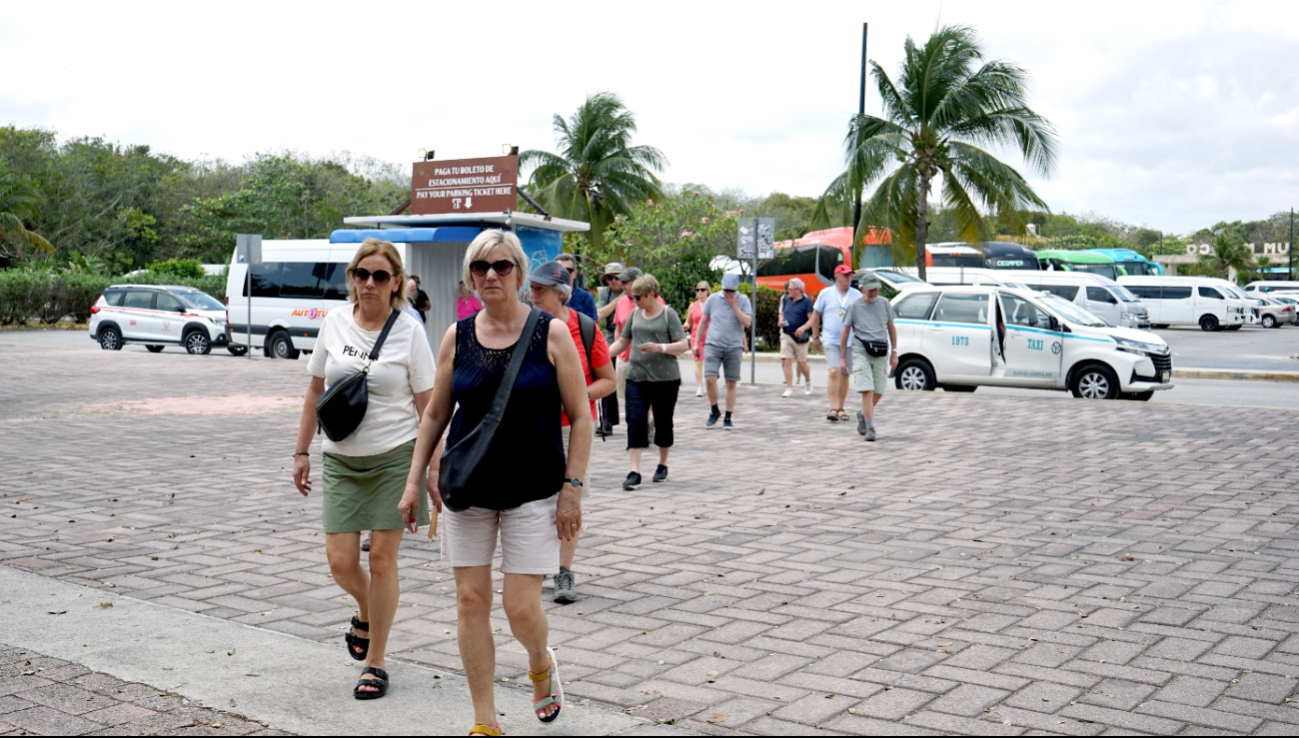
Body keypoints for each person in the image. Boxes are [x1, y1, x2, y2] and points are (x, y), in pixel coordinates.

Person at [399, 229, 591, 736]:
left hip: (535, 488)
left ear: (520, 273)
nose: (491, 275)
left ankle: (539, 662)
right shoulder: (456, 336)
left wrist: (573, 488)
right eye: (481, 266)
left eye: (502, 266)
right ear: (470, 274)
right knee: (469, 600)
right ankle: (484, 719)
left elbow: (582, 416)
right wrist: (416, 479)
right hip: (469, 489)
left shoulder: (550, 334)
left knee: (521, 606)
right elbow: (436, 414)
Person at [292, 238, 436, 700]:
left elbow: (428, 407)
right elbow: (316, 392)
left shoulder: (410, 331)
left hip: (395, 456)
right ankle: (367, 610)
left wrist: (430, 471)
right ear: (352, 278)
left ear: (396, 283)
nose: (369, 283)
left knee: (381, 559)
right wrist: (300, 452)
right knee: (341, 563)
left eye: (379, 276)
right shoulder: (334, 323)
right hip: (340, 459)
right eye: (361, 274)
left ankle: (376, 662)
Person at [527, 260, 615, 604]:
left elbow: (607, 381)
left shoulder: (586, 328)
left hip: (572, 430)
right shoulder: (526, 327)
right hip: (531, 428)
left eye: (540, 290)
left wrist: (575, 397)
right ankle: (532, 567)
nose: (533, 295)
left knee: (568, 500)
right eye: (531, 288)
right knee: (532, 502)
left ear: (561, 295)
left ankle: (563, 571)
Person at [607, 274, 689, 490]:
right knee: (635, 421)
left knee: (663, 423)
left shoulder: (668, 315)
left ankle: (662, 464)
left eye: (639, 297)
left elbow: (683, 345)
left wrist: (660, 347)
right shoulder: (635, 314)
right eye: (633, 297)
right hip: (637, 377)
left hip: (665, 379)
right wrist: (602, 355)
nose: (635, 301)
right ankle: (634, 471)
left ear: (652, 294)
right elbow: (623, 341)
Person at [838, 274, 898, 442]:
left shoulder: (884, 303)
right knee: (868, 389)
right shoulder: (854, 306)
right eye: (871, 289)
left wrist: (895, 352)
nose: (874, 292)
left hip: (880, 350)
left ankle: (862, 413)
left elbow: (891, 327)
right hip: (861, 350)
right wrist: (843, 357)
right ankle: (870, 427)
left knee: (879, 391)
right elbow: (845, 332)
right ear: (862, 288)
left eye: (876, 289)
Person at [697, 273, 752, 430]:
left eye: (732, 291)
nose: (729, 293)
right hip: (713, 343)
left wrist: (734, 305)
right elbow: (703, 322)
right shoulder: (713, 299)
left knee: (731, 382)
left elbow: (747, 323)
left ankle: (728, 416)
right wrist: (695, 344)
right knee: (709, 378)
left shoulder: (743, 300)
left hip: (734, 345)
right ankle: (714, 410)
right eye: (727, 290)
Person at [811, 265, 863, 422]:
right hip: (831, 339)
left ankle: (841, 407)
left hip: (850, 340)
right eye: (845, 275)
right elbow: (816, 315)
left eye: (850, 276)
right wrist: (815, 336)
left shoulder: (856, 295)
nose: (849, 278)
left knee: (845, 373)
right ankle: (833, 408)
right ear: (837, 277)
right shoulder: (825, 294)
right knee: (834, 372)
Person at [595, 263, 625, 436]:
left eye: (617, 277)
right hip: (610, 337)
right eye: (610, 277)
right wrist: (619, 298)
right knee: (606, 377)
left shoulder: (633, 294)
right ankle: (607, 420)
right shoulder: (606, 293)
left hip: (629, 338)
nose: (614, 281)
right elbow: (600, 314)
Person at [778, 278, 815, 398]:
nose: (787, 291)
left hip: (800, 338)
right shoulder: (787, 299)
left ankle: (808, 381)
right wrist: (780, 321)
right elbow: (782, 313)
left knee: (801, 363)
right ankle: (789, 387)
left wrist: (803, 328)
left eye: (790, 289)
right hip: (786, 334)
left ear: (798, 290)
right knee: (786, 360)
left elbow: (812, 319)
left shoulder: (807, 302)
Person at [554, 253, 598, 322]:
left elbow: (592, 327)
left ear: (575, 273)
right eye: (560, 270)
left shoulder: (586, 298)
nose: (564, 274)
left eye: (568, 270)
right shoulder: (546, 295)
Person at [686, 282, 711, 398]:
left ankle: (710, 385)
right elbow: (688, 321)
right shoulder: (693, 306)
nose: (700, 292)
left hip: (711, 336)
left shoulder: (712, 304)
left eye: (702, 290)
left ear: (707, 291)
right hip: (697, 337)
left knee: (711, 362)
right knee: (698, 362)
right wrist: (685, 325)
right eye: (698, 290)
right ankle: (700, 387)